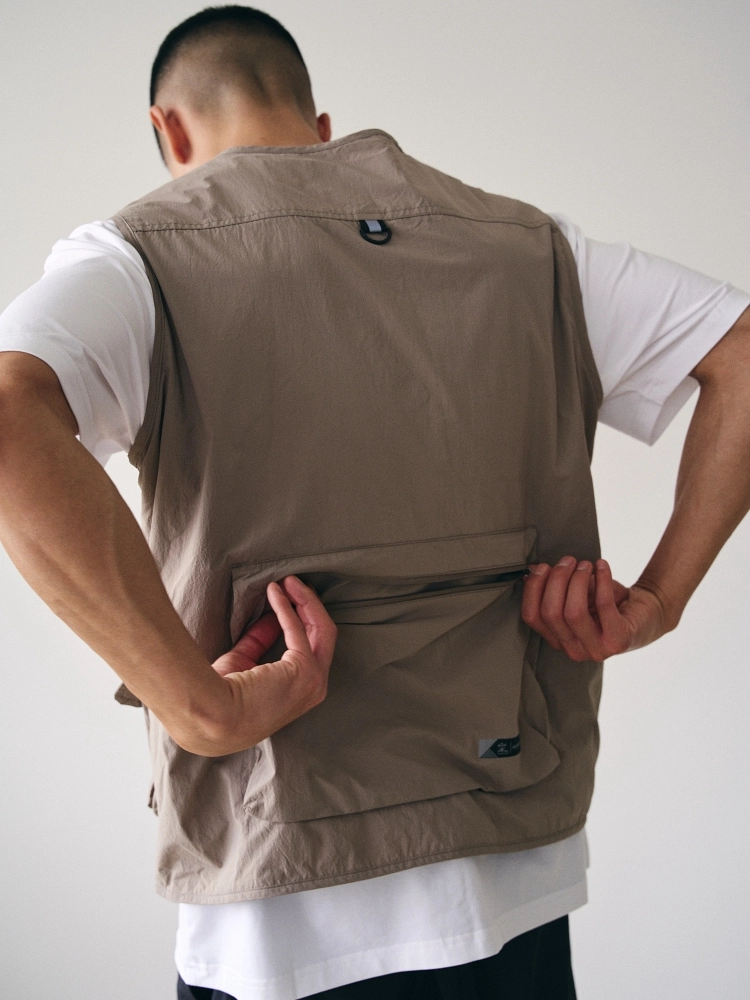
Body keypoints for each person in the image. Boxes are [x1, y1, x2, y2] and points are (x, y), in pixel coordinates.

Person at [1, 6, 749, 1000]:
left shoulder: (139, 257)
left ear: (168, 131)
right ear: (321, 129)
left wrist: (199, 706)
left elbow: (9, 416)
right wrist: (659, 599)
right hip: (513, 864)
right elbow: (740, 352)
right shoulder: (532, 249)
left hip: (281, 909)